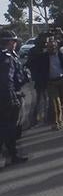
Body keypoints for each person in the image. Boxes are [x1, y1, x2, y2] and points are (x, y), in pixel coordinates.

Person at [0, 30, 29, 166]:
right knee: (9, 128)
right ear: (9, 42)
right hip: (7, 97)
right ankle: (12, 155)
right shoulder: (7, 58)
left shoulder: (9, 56)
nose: (16, 44)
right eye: (14, 41)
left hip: (6, 96)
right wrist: (13, 97)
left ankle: (11, 154)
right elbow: (8, 80)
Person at [34, 36, 63, 130]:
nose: (52, 49)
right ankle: (56, 122)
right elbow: (39, 70)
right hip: (51, 82)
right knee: (56, 103)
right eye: (50, 47)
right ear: (47, 47)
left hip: (62, 80)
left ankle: (60, 120)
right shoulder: (43, 57)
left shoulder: (61, 55)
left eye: (54, 47)